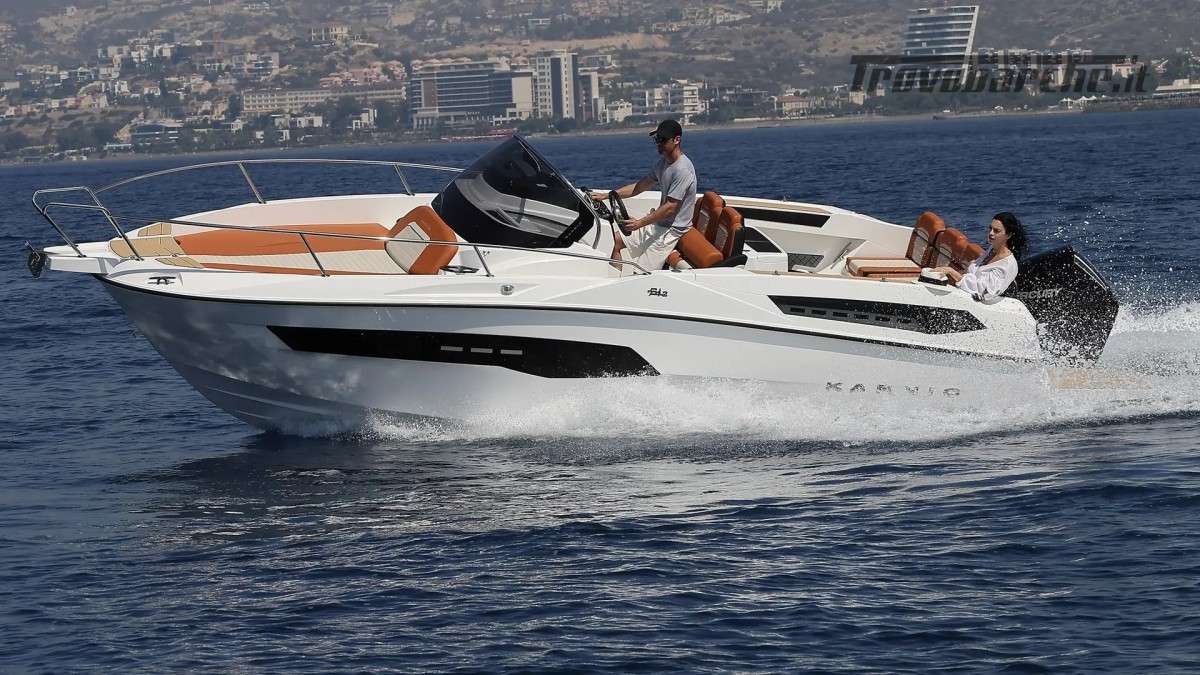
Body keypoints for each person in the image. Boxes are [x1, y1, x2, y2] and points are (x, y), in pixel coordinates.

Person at [592, 119, 697, 272]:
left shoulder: (683, 170)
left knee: (640, 272)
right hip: (659, 224)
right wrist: (607, 195)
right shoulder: (663, 164)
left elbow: (670, 207)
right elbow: (640, 186)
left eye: (662, 139)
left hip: (672, 231)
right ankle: (614, 280)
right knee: (616, 241)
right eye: (657, 139)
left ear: (677, 140)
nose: (658, 143)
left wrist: (640, 223)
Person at [934, 211, 1028, 301]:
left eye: (996, 231)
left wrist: (951, 272)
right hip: (964, 295)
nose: (991, 233)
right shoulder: (991, 249)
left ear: (1008, 235)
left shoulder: (1007, 265)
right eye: (990, 228)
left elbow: (983, 292)